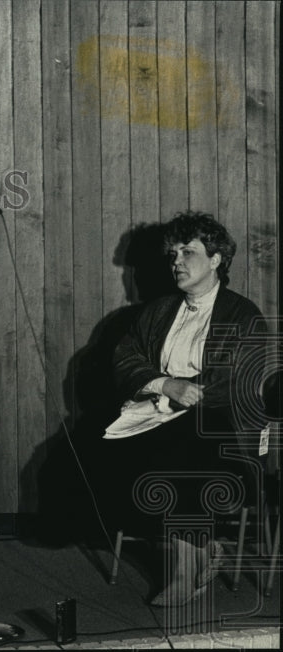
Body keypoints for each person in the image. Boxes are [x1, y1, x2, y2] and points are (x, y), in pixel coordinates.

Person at [101, 211, 267, 606]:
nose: (176, 261)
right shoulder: (158, 311)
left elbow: (238, 381)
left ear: (215, 260)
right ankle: (204, 555)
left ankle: (183, 573)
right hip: (158, 421)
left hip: (224, 431)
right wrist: (165, 385)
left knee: (185, 446)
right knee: (116, 450)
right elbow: (124, 358)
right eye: (173, 253)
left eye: (188, 252)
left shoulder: (243, 314)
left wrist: (177, 395)